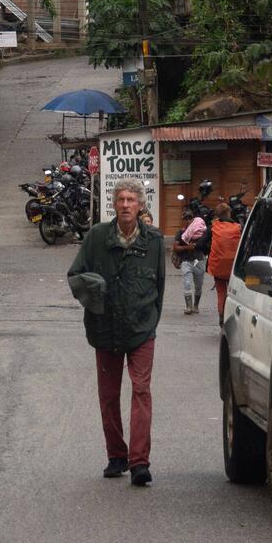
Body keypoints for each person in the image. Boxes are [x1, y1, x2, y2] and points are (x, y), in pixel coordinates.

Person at [67, 180, 166, 487]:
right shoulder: (97, 236)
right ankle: (116, 456)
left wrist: (150, 321)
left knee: (141, 390)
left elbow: (159, 287)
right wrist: (96, 290)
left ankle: (139, 462)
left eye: (131, 200)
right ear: (114, 204)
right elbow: (75, 276)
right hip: (105, 328)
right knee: (109, 396)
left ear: (140, 205)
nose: (125, 204)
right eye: (121, 199)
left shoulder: (154, 240)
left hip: (141, 329)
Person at [207, 201, 243, 326]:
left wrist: (210, 250)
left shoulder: (213, 227)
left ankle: (222, 318)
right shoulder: (238, 227)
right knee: (235, 293)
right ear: (229, 213)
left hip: (218, 266)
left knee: (221, 293)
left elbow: (201, 244)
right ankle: (233, 318)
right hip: (234, 267)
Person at [175, 208, 207, 315]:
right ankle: (188, 307)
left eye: (190, 218)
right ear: (183, 220)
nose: (188, 220)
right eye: (185, 218)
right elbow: (175, 247)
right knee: (187, 283)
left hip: (199, 260)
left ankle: (196, 305)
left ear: (193, 219)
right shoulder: (181, 232)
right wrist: (187, 247)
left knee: (198, 285)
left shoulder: (201, 231)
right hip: (186, 261)